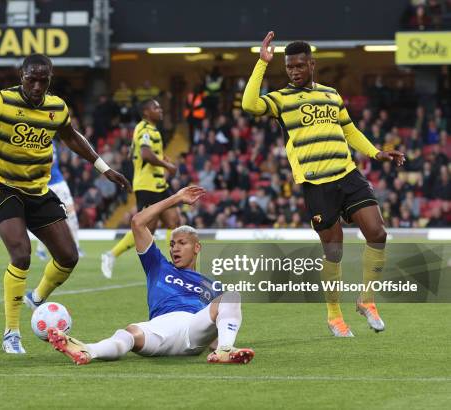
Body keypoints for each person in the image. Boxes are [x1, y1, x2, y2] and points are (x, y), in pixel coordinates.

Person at [0, 54, 131, 354]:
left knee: (68, 257)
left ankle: (36, 297)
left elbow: (71, 137)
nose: (38, 85)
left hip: (38, 190)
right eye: (33, 79)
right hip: (3, 187)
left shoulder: (57, 107)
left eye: (44, 80)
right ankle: (11, 332)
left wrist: (104, 168)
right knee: (21, 254)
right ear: (22, 75)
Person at [242, 32, 405, 337]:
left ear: (312, 64)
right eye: (289, 67)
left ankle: (366, 300)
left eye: (300, 66)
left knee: (378, 233)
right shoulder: (281, 99)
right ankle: (334, 315)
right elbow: (249, 105)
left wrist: (376, 152)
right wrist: (262, 64)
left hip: (347, 174)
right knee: (334, 253)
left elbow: (349, 129)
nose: (294, 71)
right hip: (316, 184)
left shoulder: (332, 94)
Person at [48, 186, 254, 365]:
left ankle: (226, 350)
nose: (175, 249)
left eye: (182, 243)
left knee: (231, 295)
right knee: (128, 334)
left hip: (192, 328)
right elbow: (138, 222)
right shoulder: (158, 265)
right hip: (160, 329)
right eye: (173, 244)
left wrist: (217, 343)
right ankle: (87, 351)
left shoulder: (212, 285)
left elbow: (214, 328)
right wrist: (176, 199)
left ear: (197, 247)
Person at [101, 99, 179, 279]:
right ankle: (111, 254)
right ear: (145, 112)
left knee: (172, 221)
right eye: (155, 107)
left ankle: (175, 267)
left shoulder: (145, 128)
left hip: (156, 184)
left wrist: (161, 158)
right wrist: (167, 166)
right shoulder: (145, 129)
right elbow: (145, 154)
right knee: (148, 228)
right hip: (148, 185)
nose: (160, 109)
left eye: (159, 106)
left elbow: (135, 153)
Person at [35, 139, 84, 260]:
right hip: (44, 185)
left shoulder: (47, 140)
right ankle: (40, 250)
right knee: (45, 219)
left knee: (71, 216)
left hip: (58, 183)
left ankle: (76, 247)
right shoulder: (33, 139)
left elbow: (49, 163)